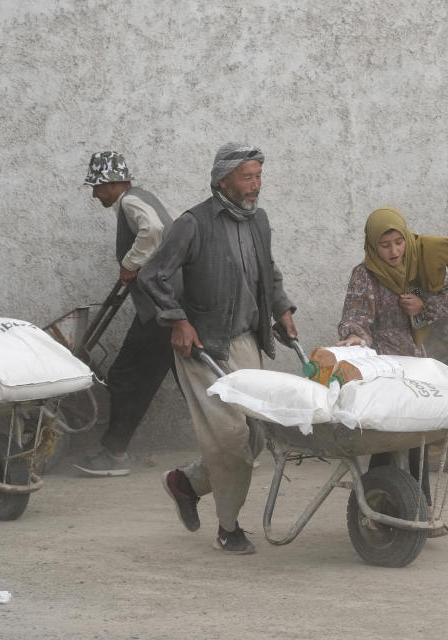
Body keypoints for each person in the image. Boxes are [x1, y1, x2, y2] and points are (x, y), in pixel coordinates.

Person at [138, 143, 298, 554]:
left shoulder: (259, 221)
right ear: (222, 180)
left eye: (259, 176)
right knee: (230, 437)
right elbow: (153, 274)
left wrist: (280, 310)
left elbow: (269, 272)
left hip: (245, 341)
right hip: (203, 345)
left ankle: (186, 483)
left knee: (255, 436)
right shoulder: (194, 223)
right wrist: (178, 319)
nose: (256, 185)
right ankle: (229, 528)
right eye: (248, 177)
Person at [337, 206, 448, 535]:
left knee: (416, 437)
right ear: (372, 246)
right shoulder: (364, 275)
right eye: (385, 246)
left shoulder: (418, 264)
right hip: (381, 368)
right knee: (387, 439)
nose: (394, 251)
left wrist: (423, 306)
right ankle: (383, 505)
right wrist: (355, 336)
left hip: (414, 365)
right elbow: (357, 315)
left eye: (399, 242)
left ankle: (415, 505)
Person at [74, 152, 178, 477]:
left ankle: (114, 453)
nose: (94, 194)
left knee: (124, 377)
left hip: (160, 308)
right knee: (192, 378)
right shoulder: (148, 197)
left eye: (97, 187)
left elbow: (156, 231)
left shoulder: (130, 202)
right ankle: (245, 440)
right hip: (176, 303)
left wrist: (130, 263)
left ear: (113, 183)